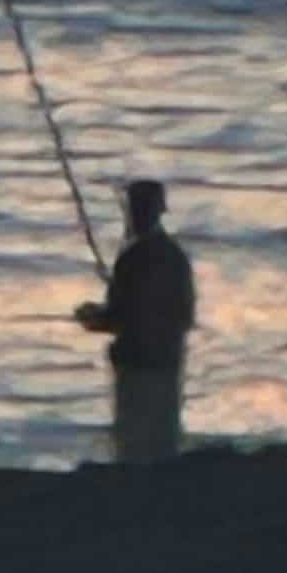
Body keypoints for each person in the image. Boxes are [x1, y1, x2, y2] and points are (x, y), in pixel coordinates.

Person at [75, 176, 197, 460]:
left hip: (137, 365)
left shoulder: (133, 257)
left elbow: (120, 317)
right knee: (161, 439)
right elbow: (183, 315)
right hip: (167, 362)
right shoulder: (173, 255)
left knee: (133, 441)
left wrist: (92, 317)